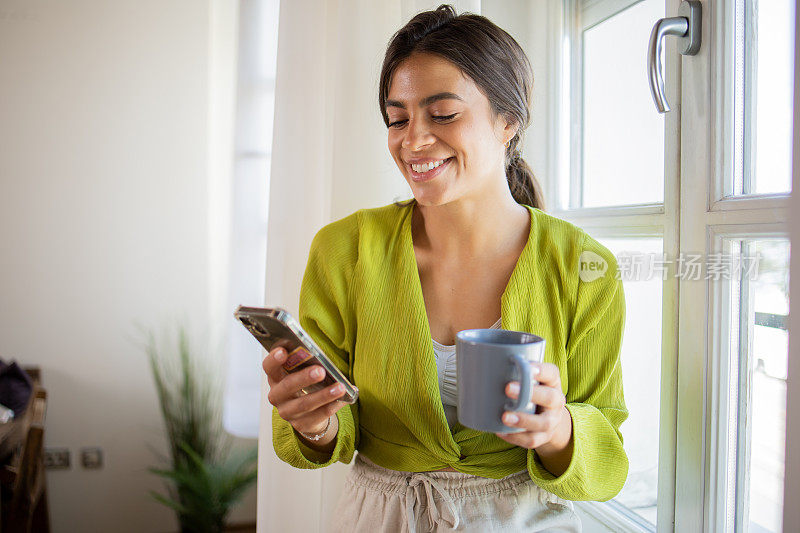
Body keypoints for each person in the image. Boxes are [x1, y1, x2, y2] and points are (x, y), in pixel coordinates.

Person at [262, 5, 628, 531]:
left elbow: (609, 457)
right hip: (382, 517)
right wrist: (313, 422)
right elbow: (329, 433)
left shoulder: (582, 267)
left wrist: (559, 432)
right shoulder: (344, 250)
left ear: (509, 120)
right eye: (397, 119)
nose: (413, 140)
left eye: (443, 114)